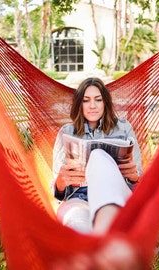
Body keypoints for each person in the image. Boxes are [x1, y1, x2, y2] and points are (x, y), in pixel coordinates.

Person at [52, 77, 142, 235]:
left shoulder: (123, 128)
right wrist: (61, 181)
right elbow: (58, 191)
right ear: (79, 104)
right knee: (76, 224)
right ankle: (101, 242)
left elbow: (139, 181)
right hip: (78, 199)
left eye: (98, 100)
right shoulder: (66, 132)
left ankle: (103, 236)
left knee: (98, 157)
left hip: (116, 195)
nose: (92, 106)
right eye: (86, 101)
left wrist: (134, 177)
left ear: (105, 103)